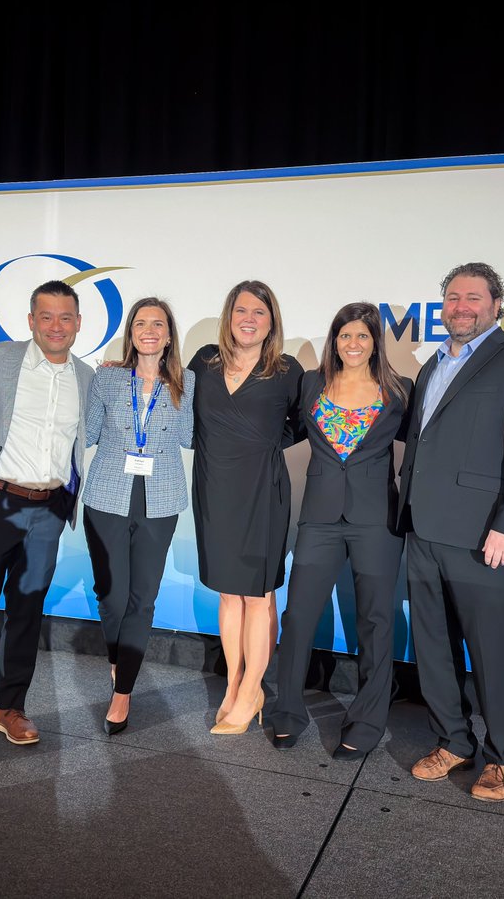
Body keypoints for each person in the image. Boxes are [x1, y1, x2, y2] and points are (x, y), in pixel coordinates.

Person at [399, 262, 504, 802]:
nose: (460, 306)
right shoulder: (432, 365)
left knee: (492, 652)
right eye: (451, 297)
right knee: (434, 648)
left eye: (472, 296)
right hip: (422, 528)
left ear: (496, 304)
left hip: (484, 535)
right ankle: (453, 740)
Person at [0, 280, 94, 764]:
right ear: (31, 320)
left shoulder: (86, 376)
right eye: (46, 316)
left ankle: (9, 708)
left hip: (49, 508)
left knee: (27, 611)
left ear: (78, 323)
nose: (56, 325)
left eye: (65, 317)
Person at [270, 302, 412, 759]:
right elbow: (272, 423)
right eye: (345, 336)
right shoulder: (310, 383)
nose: (353, 344)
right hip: (319, 518)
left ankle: (368, 721)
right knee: (298, 618)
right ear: (335, 340)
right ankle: (288, 713)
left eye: (362, 336)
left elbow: (432, 446)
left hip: (377, 520)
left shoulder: (400, 390)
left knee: (376, 621)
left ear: (376, 343)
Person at [189, 280, 303, 735]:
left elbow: (304, 423)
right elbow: (172, 397)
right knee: (227, 592)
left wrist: (265, 446)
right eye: (241, 310)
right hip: (214, 488)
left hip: (262, 490)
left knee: (258, 595)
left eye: (259, 311)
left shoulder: (288, 370)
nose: (249, 319)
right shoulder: (203, 360)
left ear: (271, 320)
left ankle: (253, 687)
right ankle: (234, 684)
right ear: (228, 315)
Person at [83, 298, 195, 734]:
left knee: (142, 597)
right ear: (131, 333)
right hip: (107, 495)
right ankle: (119, 661)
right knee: (111, 595)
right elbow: (89, 432)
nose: (149, 331)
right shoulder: (108, 379)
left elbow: (188, 438)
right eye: (141, 324)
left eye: (158, 324)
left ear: (169, 334)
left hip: (161, 499)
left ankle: (123, 691)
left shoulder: (188, 382)